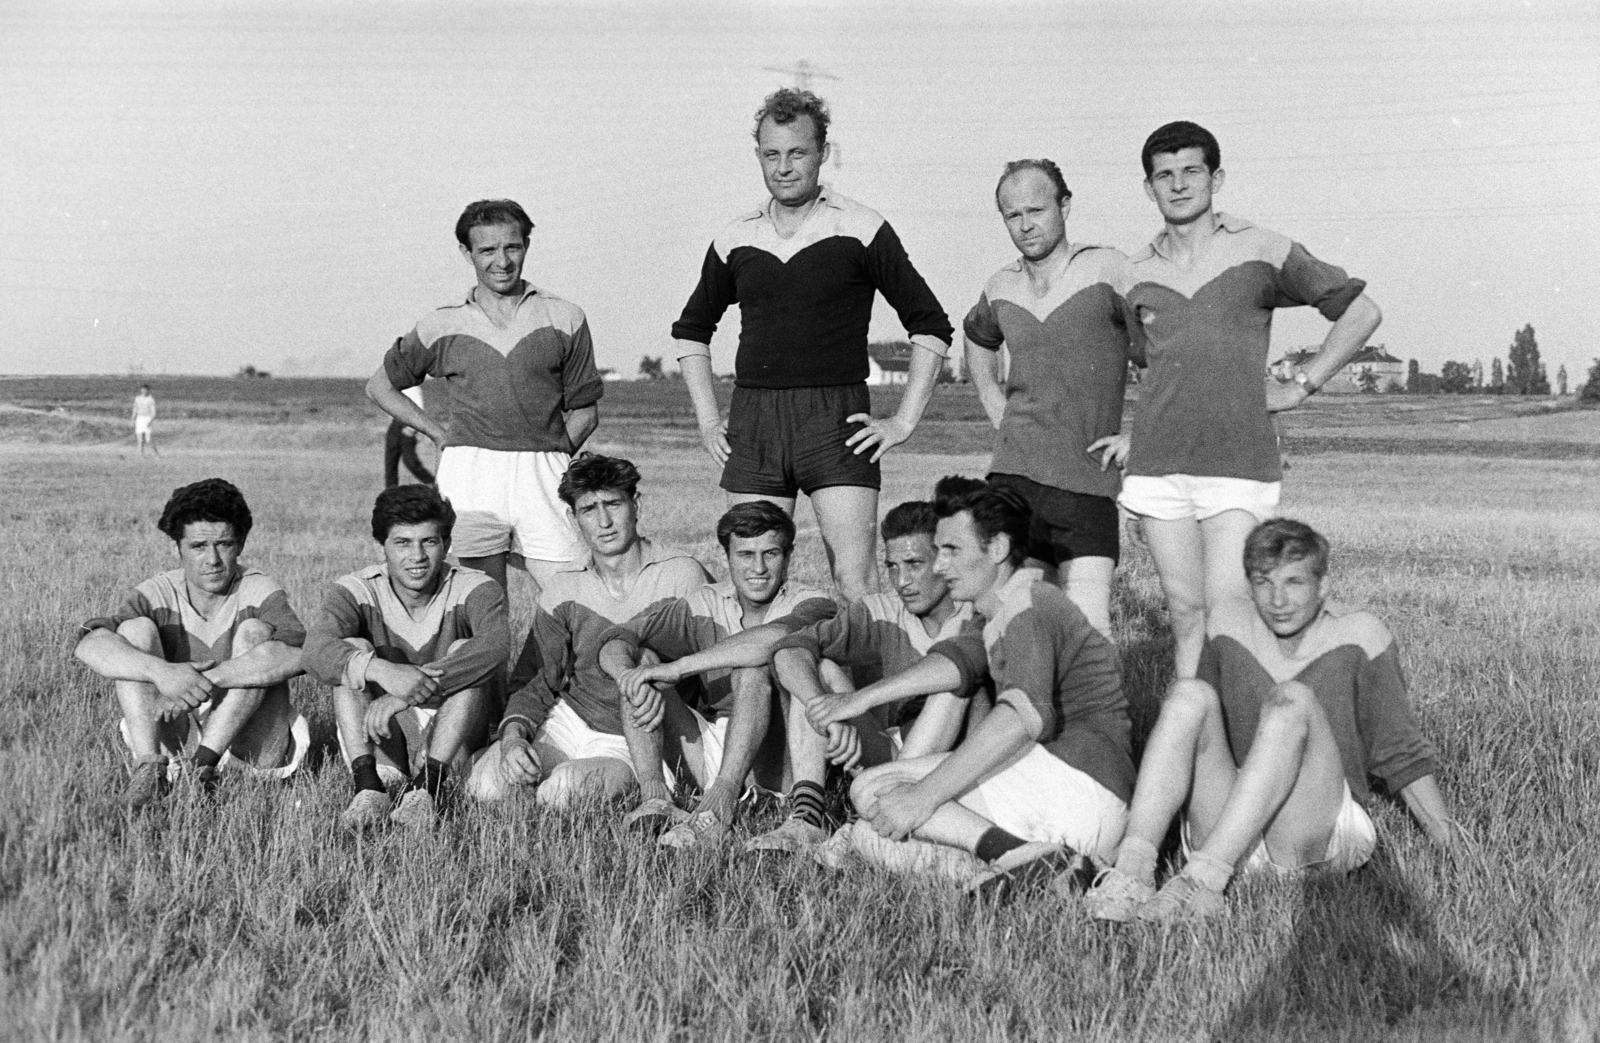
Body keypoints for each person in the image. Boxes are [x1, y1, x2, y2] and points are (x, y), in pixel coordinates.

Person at [1103, 122, 1382, 677]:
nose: (1178, 185)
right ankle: (1195, 748)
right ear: (1148, 188)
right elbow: (1151, 368)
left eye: (1191, 171)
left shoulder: (1260, 249)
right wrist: (1134, 435)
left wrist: (1304, 384)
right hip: (1159, 470)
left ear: (1216, 177)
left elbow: (1362, 312)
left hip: (1237, 463)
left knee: (1227, 617)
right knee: (1185, 614)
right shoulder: (1133, 274)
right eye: (1164, 175)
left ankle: (1246, 749)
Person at [1084, 519, 1462, 923]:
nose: (1278, 599)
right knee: (1187, 695)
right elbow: (1198, 738)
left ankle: (1202, 882)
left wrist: (1449, 841)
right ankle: (1132, 871)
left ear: (1324, 584)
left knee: (1291, 701)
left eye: (1294, 582)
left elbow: (1399, 751)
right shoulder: (1227, 623)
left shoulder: (1361, 634)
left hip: (1312, 829)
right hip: (1231, 827)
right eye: (1264, 582)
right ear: (1249, 586)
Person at [671, 87, 955, 600]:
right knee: (755, 585)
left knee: (856, 580)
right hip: (754, 421)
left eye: (797, 152)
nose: (784, 167)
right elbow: (691, 330)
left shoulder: (861, 226)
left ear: (824, 152)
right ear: (757, 156)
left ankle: (872, 680)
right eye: (771, 154)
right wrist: (709, 419)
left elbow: (931, 324)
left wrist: (904, 421)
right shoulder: (735, 237)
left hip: (836, 420)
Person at [809, 483, 1134, 896]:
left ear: (997, 548)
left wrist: (924, 797)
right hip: (1060, 793)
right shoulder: (1000, 610)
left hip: (1078, 783)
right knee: (873, 838)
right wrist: (861, 699)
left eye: (951, 551)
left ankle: (1012, 852)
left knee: (874, 790)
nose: (940, 566)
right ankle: (1022, 871)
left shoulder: (1030, 606)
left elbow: (1021, 717)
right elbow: (954, 665)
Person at [366, 199, 603, 591]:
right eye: (487, 250)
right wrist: (439, 434)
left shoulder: (565, 316)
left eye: (512, 247)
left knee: (571, 595)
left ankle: (541, 656)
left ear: (527, 244)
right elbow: (380, 386)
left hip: (545, 473)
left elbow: (585, 412)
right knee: (478, 600)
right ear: (467, 253)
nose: (502, 261)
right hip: (471, 475)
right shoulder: (442, 322)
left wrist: (553, 454)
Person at [464, 455, 710, 809]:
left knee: (562, 794)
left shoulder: (683, 575)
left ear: (636, 505)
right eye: (589, 509)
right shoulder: (563, 587)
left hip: (633, 737)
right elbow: (535, 681)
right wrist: (515, 738)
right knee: (486, 787)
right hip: (569, 721)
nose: (604, 521)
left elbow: (712, 674)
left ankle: (628, 783)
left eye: (613, 504)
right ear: (572, 518)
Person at [598, 501, 839, 852]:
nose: (758, 568)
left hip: (782, 757)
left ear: (789, 555)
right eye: (745, 554)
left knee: (752, 671)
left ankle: (723, 804)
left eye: (770, 554)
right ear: (726, 555)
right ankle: (655, 798)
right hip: (714, 747)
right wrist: (628, 676)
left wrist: (679, 667)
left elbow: (768, 643)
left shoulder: (812, 601)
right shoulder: (708, 601)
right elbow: (616, 639)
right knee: (642, 664)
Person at [963, 159, 1137, 637]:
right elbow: (977, 340)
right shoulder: (1001, 285)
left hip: (1086, 480)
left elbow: (1167, 349)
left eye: (1036, 210)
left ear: (1065, 205)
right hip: (1013, 480)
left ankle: (1098, 714)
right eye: (1011, 215)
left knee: (1088, 627)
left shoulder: (1109, 269)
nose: (1025, 225)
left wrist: (1138, 433)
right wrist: (996, 406)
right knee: (1009, 625)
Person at [75, 478, 309, 807]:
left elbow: (300, 654)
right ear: (178, 548)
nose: (212, 559)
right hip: (177, 736)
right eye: (198, 546)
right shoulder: (157, 590)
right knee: (134, 630)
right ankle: (149, 769)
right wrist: (162, 673)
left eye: (224, 544)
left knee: (256, 633)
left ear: (240, 544)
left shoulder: (259, 588)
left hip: (250, 746)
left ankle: (201, 768)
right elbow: (90, 645)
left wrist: (206, 680)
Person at [764, 499, 980, 853]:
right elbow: (789, 649)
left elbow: (957, 670)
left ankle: (868, 822)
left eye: (914, 564)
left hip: (957, 766)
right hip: (894, 755)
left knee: (955, 686)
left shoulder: (975, 611)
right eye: (892, 567)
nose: (901, 581)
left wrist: (856, 701)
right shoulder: (883, 610)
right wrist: (829, 714)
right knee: (820, 671)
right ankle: (807, 816)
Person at [303, 485, 509, 831]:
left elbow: (495, 646)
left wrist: (405, 693)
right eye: (402, 543)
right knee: (352, 650)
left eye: (429, 541)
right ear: (380, 546)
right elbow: (315, 650)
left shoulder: (476, 586)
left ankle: (429, 788)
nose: (417, 556)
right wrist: (380, 669)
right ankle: (367, 786)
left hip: (456, 732)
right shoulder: (357, 587)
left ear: (446, 544)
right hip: (385, 734)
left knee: (464, 651)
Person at [383, 384, 435, 487]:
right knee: (390, 464)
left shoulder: (413, 389)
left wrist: (411, 429)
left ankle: (434, 484)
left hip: (407, 426)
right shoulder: (395, 387)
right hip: (394, 425)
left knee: (411, 462)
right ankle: (390, 494)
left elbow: (419, 409)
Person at [132, 384, 158, 457]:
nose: (144, 391)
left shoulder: (150, 399)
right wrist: (133, 418)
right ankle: (141, 456)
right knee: (140, 440)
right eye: (143, 389)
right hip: (139, 418)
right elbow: (135, 408)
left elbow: (153, 412)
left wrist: (150, 421)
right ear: (141, 390)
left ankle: (156, 454)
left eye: (146, 390)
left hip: (147, 418)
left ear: (148, 390)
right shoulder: (137, 398)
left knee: (148, 440)